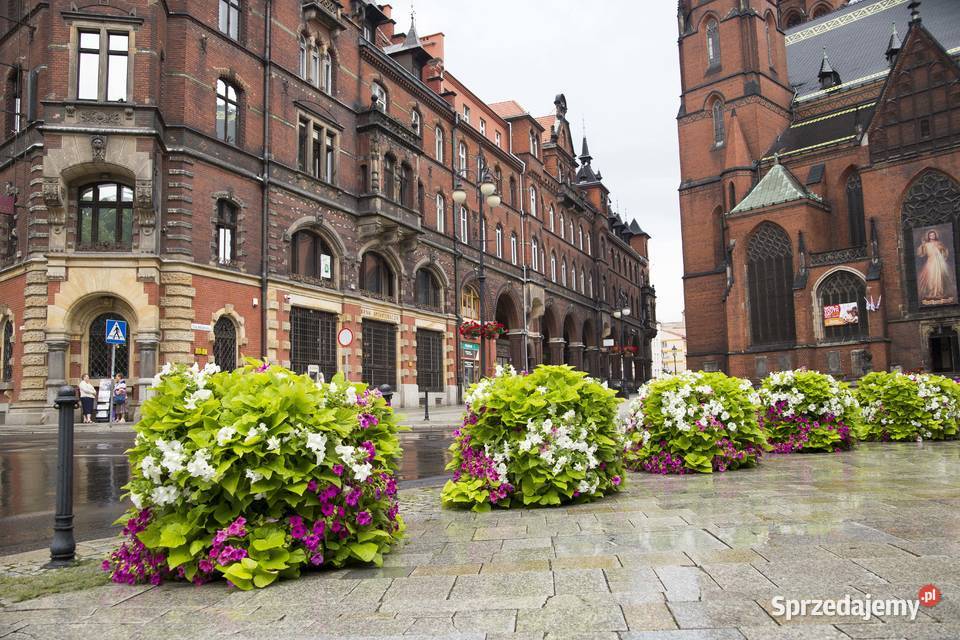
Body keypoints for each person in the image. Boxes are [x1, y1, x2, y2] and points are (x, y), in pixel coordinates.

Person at [917, 229, 953, 303]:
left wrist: (942, 253)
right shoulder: (926, 244)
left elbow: (945, 251)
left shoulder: (939, 243)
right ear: (928, 236)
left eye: (933, 235)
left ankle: (939, 293)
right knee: (931, 278)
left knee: (939, 277)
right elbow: (921, 254)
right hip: (930, 262)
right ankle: (932, 293)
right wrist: (922, 245)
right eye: (930, 235)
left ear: (935, 235)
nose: (932, 236)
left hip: (939, 263)